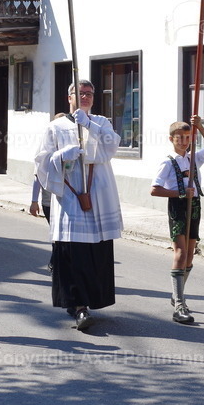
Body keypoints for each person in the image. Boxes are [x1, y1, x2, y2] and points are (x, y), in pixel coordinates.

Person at [33, 79, 123, 332]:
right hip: (70, 194)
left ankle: (94, 298)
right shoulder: (56, 126)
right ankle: (78, 305)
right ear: (69, 97)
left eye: (89, 93)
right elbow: (40, 160)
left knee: (96, 250)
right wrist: (61, 156)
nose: (84, 97)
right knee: (74, 251)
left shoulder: (101, 122)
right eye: (79, 93)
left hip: (99, 194)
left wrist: (89, 124)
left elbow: (113, 145)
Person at [150, 116, 204, 324]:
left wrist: (202, 127)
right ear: (171, 139)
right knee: (180, 253)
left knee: (190, 254)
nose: (184, 141)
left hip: (195, 206)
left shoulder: (194, 158)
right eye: (179, 137)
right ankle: (179, 304)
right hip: (179, 207)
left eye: (188, 137)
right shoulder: (167, 162)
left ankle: (177, 293)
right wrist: (180, 194)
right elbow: (154, 190)